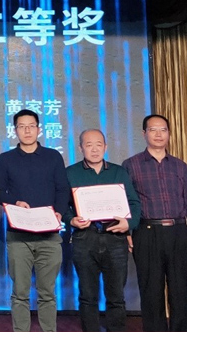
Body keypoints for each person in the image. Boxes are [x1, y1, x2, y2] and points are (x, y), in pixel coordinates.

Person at [0, 109, 69, 332]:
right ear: (15, 130)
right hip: (19, 236)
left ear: (39, 129)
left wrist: (59, 212)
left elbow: (62, 189)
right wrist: (15, 202)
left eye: (31, 126)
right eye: (21, 126)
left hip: (49, 235)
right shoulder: (6, 159)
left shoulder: (53, 156)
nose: (27, 131)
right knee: (20, 293)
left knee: (48, 293)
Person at [63, 129, 141, 332]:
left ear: (105, 147)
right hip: (84, 238)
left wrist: (128, 224)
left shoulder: (119, 172)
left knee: (116, 296)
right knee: (87, 295)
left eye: (99, 144)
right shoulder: (70, 173)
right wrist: (71, 220)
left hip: (115, 237)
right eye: (89, 145)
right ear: (80, 148)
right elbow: (62, 205)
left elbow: (134, 203)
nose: (94, 149)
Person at [122, 114, 186, 331]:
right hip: (147, 232)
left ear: (169, 134)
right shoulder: (131, 165)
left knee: (182, 289)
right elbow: (126, 202)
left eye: (163, 130)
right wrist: (128, 231)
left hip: (179, 231)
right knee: (151, 290)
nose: (159, 134)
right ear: (144, 134)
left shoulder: (180, 166)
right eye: (153, 130)